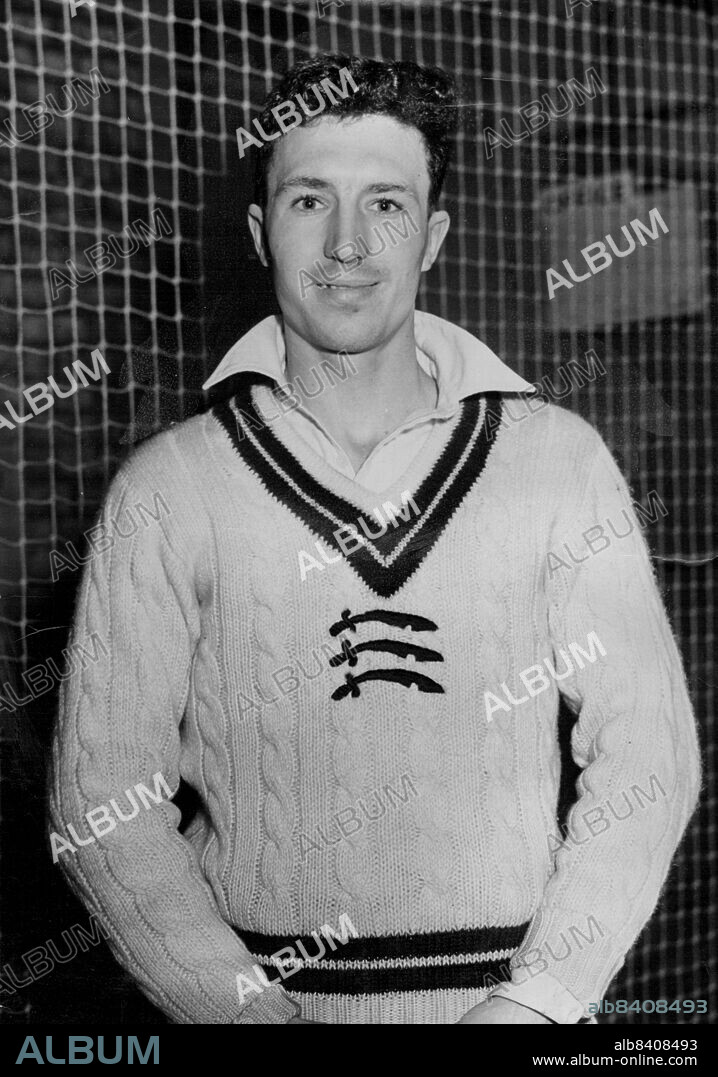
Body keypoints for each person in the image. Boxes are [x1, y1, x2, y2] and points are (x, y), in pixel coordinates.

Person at [49, 54, 700, 1025]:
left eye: (386, 204)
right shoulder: (167, 488)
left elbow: (650, 758)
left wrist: (537, 1003)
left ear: (432, 235)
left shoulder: (558, 458)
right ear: (259, 230)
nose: (348, 244)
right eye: (310, 200)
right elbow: (98, 802)